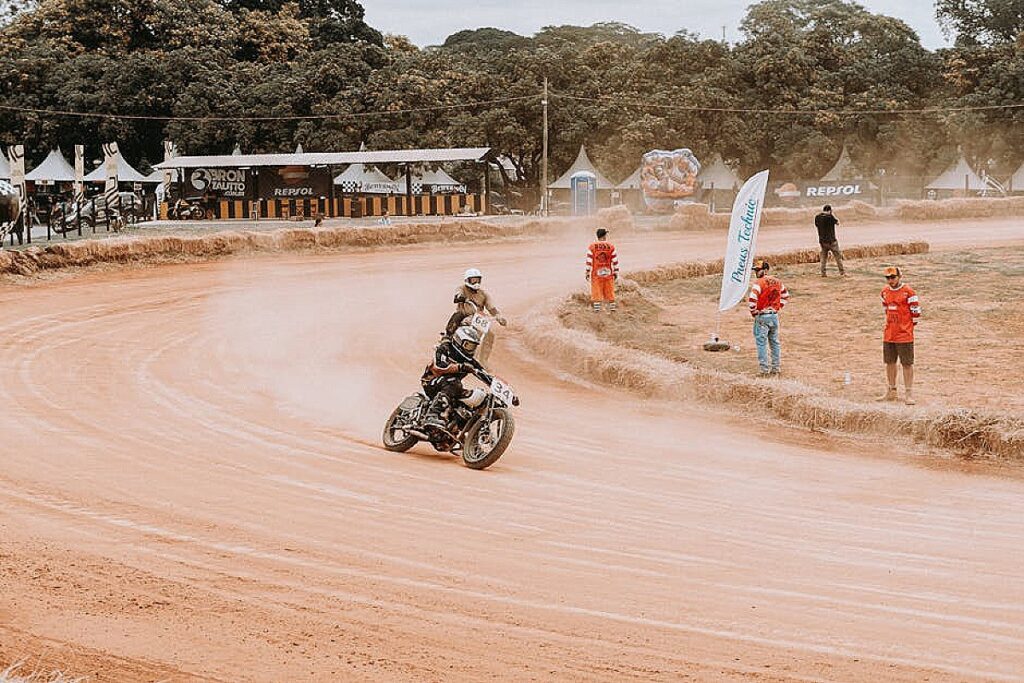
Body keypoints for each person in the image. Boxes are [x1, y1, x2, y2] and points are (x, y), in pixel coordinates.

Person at [420, 325, 485, 430]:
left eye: (473, 347)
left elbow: (484, 374)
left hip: (450, 388)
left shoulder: (470, 361)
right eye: (468, 345)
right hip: (431, 382)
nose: (471, 349)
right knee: (454, 383)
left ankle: (459, 429)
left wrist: (505, 392)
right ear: (459, 340)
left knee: (471, 398)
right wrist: (459, 367)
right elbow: (439, 366)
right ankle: (432, 415)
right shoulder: (445, 348)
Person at [878, 266, 921, 405]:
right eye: (888, 278)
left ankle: (908, 393)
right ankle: (892, 390)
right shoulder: (884, 292)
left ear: (899, 276)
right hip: (889, 334)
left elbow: (916, 313)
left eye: (893, 277)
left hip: (904, 335)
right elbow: (886, 309)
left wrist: (906, 327)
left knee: (907, 363)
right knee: (890, 362)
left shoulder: (909, 292)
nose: (890, 280)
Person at [747, 259, 790, 376]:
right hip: (773, 316)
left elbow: (752, 300)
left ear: (765, 270)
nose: (756, 272)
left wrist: (754, 312)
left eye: (758, 270)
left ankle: (764, 370)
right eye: (756, 270)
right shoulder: (777, 281)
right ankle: (776, 368)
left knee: (761, 343)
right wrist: (777, 308)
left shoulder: (758, 283)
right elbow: (785, 295)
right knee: (774, 342)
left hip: (762, 316)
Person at [445, 268, 508, 337]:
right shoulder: (461, 288)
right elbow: (457, 295)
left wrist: (499, 317)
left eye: (478, 280)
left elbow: (491, 308)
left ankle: (483, 343)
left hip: (478, 318)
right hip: (463, 314)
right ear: (467, 280)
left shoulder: (483, 294)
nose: (476, 283)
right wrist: (460, 297)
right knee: (457, 316)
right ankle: (447, 337)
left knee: (489, 335)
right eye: (473, 281)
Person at [586, 228, 619, 312]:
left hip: (596, 274)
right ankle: (612, 311)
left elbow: (589, 261)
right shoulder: (611, 246)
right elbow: (615, 261)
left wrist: (587, 272)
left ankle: (597, 312)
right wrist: (616, 271)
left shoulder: (592, 247)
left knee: (596, 293)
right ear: (604, 236)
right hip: (608, 274)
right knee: (610, 293)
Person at [814, 204, 845, 277]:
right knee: (838, 258)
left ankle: (823, 273)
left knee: (823, 258)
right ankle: (842, 272)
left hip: (822, 241)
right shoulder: (830, 217)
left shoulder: (817, 217)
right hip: (832, 241)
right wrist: (831, 215)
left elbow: (816, 225)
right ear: (830, 210)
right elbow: (837, 223)